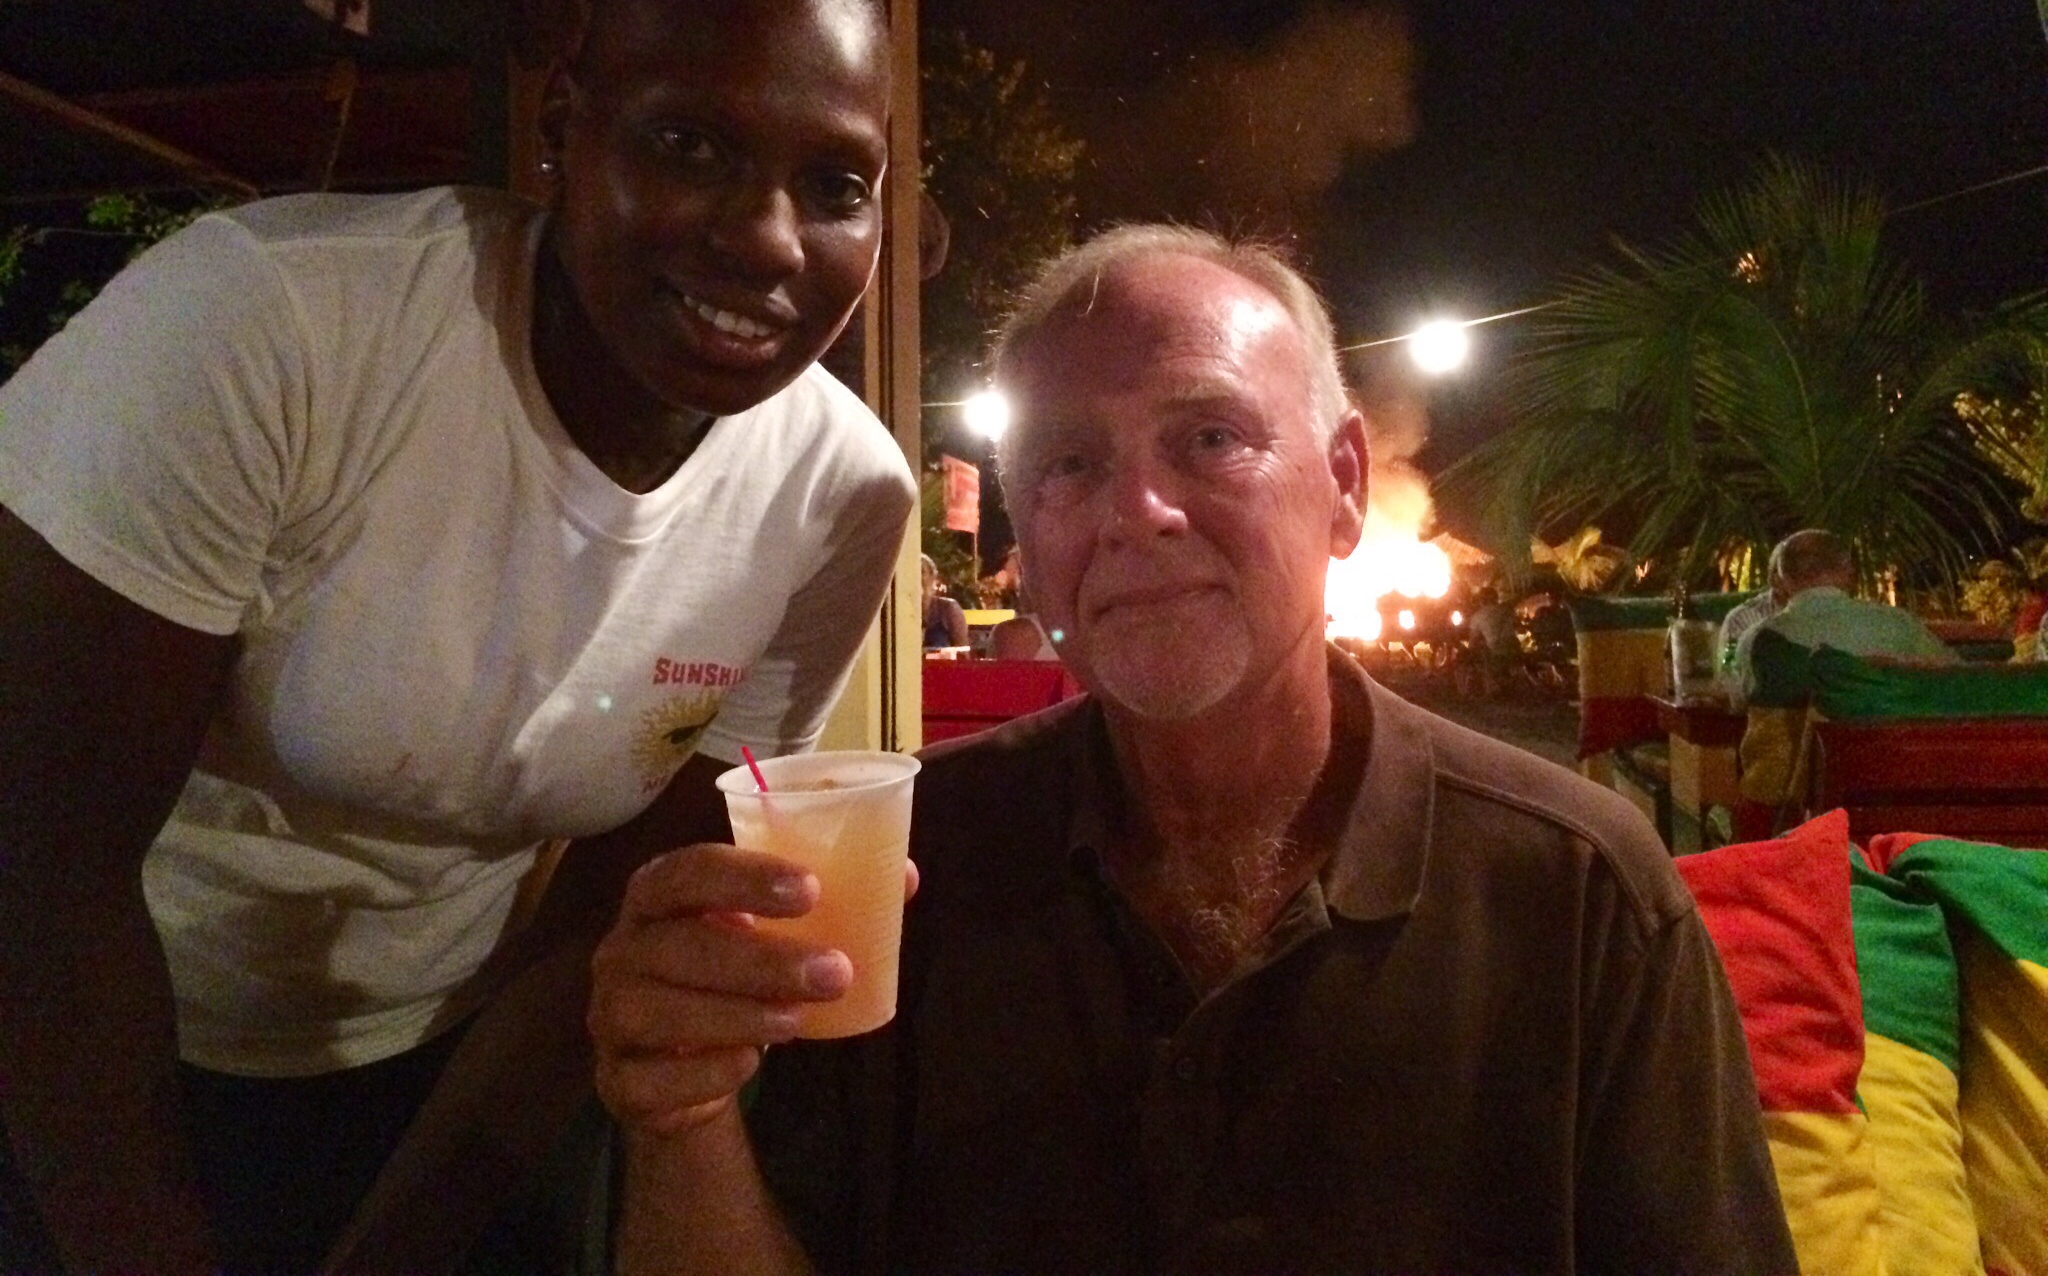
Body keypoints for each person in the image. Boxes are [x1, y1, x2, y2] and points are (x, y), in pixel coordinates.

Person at [0, 0, 916, 1275]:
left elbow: (607, 919)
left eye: (836, 185)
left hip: (448, 1063)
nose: (769, 240)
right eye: (689, 144)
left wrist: (399, 1246)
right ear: (565, 125)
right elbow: (43, 878)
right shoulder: (275, 329)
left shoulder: (840, 499)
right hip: (87, 1046)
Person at [589, 225, 1795, 1273]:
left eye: (1210, 438)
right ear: (1027, 542)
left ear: (1342, 485)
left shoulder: (1578, 893)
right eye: (1069, 465)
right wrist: (683, 1115)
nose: (1136, 513)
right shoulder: (912, 871)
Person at [1732, 528, 1956, 704]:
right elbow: (1955, 676)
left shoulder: (1756, 641)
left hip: (1797, 750)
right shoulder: (1898, 625)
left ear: (1782, 579)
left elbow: (1738, 703)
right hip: (1891, 747)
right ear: (1848, 570)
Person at [918, 554, 969, 650]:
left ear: (932, 577)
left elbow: (963, 652)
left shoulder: (948, 608)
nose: (916, 576)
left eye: (921, 571)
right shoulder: (899, 611)